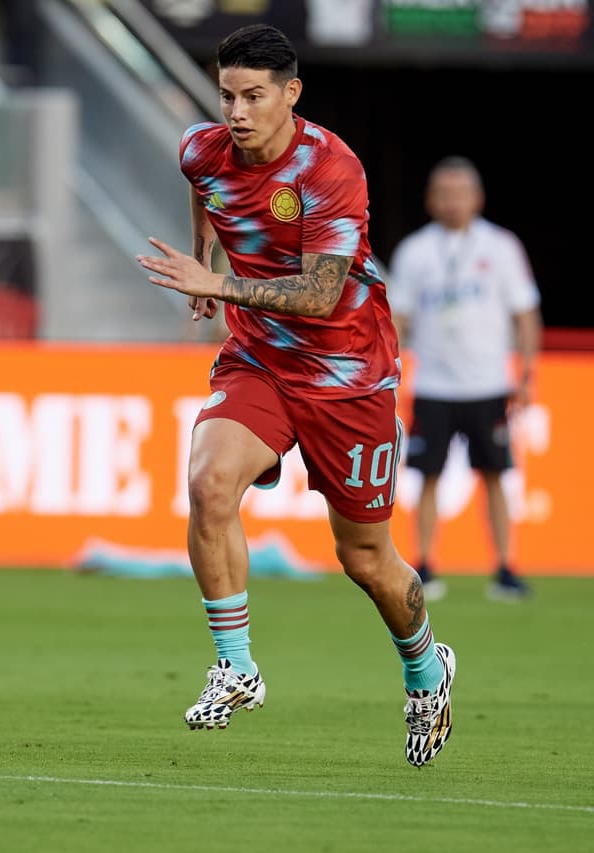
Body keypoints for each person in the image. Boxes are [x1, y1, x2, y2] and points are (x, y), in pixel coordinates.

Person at [135, 23, 455, 767]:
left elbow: (319, 293)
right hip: (260, 360)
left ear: (291, 93)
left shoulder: (330, 168)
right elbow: (205, 191)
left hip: (349, 376)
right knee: (209, 482)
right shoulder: (201, 150)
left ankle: (426, 669)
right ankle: (237, 666)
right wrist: (207, 253)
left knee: (367, 559)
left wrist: (217, 281)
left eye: (254, 96)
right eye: (227, 96)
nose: (237, 112)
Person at [387, 156, 542, 603]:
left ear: (478, 198)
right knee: (426, 475)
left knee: (495, 473)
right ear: (431, 199)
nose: (453, 201)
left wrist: (526, 372)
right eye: (444, 192)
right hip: (434, 382)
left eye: (462, 192)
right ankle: (425, 564)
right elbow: (398, 317)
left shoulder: (501, 247)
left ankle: (506, 566)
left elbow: (525, 311)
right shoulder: (415, 251)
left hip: (488, 383)